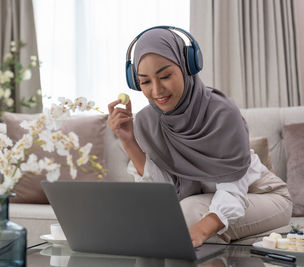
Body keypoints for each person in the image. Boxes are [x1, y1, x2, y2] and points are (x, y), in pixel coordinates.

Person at [107, 26, 292, 247]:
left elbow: (233, 191)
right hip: (205, 200)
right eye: (145, 82)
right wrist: (128, 140)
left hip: (263, 194)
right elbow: (164, 192)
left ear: (188, 66)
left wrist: (198, 232)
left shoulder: (221, 112)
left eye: (165, 76)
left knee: (190, 212)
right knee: (172, 215)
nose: (156, 90)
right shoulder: (148, 122)